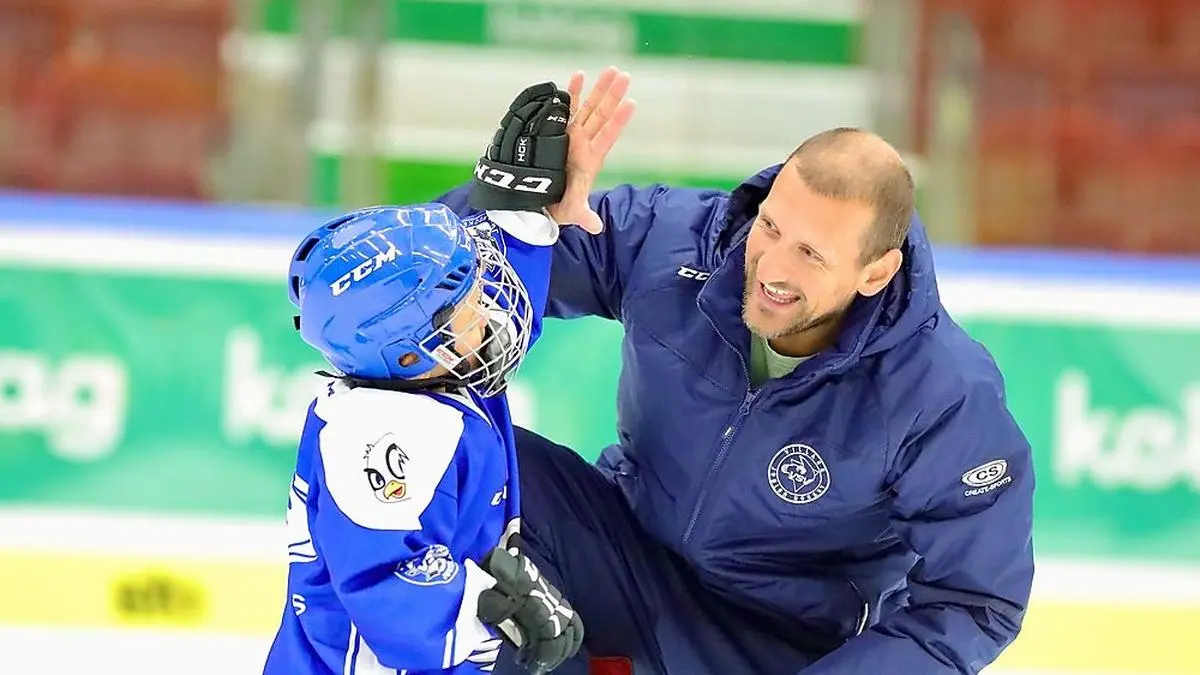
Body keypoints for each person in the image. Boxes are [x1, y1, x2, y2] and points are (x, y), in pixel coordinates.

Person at [436, 67, 1036, 675]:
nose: (771, 266)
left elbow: (972, 602)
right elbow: (439, 287)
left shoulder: (942, 394)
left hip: (767, 640)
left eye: (810, 254)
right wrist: (513, 209)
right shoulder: (673, 242)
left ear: (874, 274)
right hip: (624, 552)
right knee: (460, 457)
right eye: (772, 226)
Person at [264, 84, 594, 675]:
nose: (488, 308)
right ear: (410, 355)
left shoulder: (426, 378)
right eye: (463, 304)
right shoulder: (380, 439)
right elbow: (388, 585)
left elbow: (493, 321)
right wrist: (499, 610)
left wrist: (517, 207)